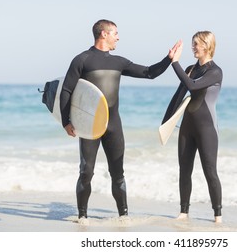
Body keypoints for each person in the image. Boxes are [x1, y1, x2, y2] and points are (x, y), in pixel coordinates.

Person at [60, 19, 180, 222]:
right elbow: (67, 90)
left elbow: (149, 73)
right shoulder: (82, 59)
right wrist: (66, 121)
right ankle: (82, 217)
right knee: (86, 171)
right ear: (104, 34)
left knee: (118, 172)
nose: (118, 37)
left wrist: (168, 59)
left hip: (114, 125)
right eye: (115, 33)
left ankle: (124, 216)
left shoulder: (119, 62)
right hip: (91, 125)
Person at [162, 31, 223, 223]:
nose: (193, 47)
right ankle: (184, 212)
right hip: (187, 127)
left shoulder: (215, 71)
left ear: (206, 45)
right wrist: (165, 123)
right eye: (193, 44)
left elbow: (193, 86)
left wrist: (174, 63)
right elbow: (179, 95)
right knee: (184, 169)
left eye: (196, 44)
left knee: (210, 171)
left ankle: (217, 215)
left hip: (207, 129)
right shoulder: (190, 68)